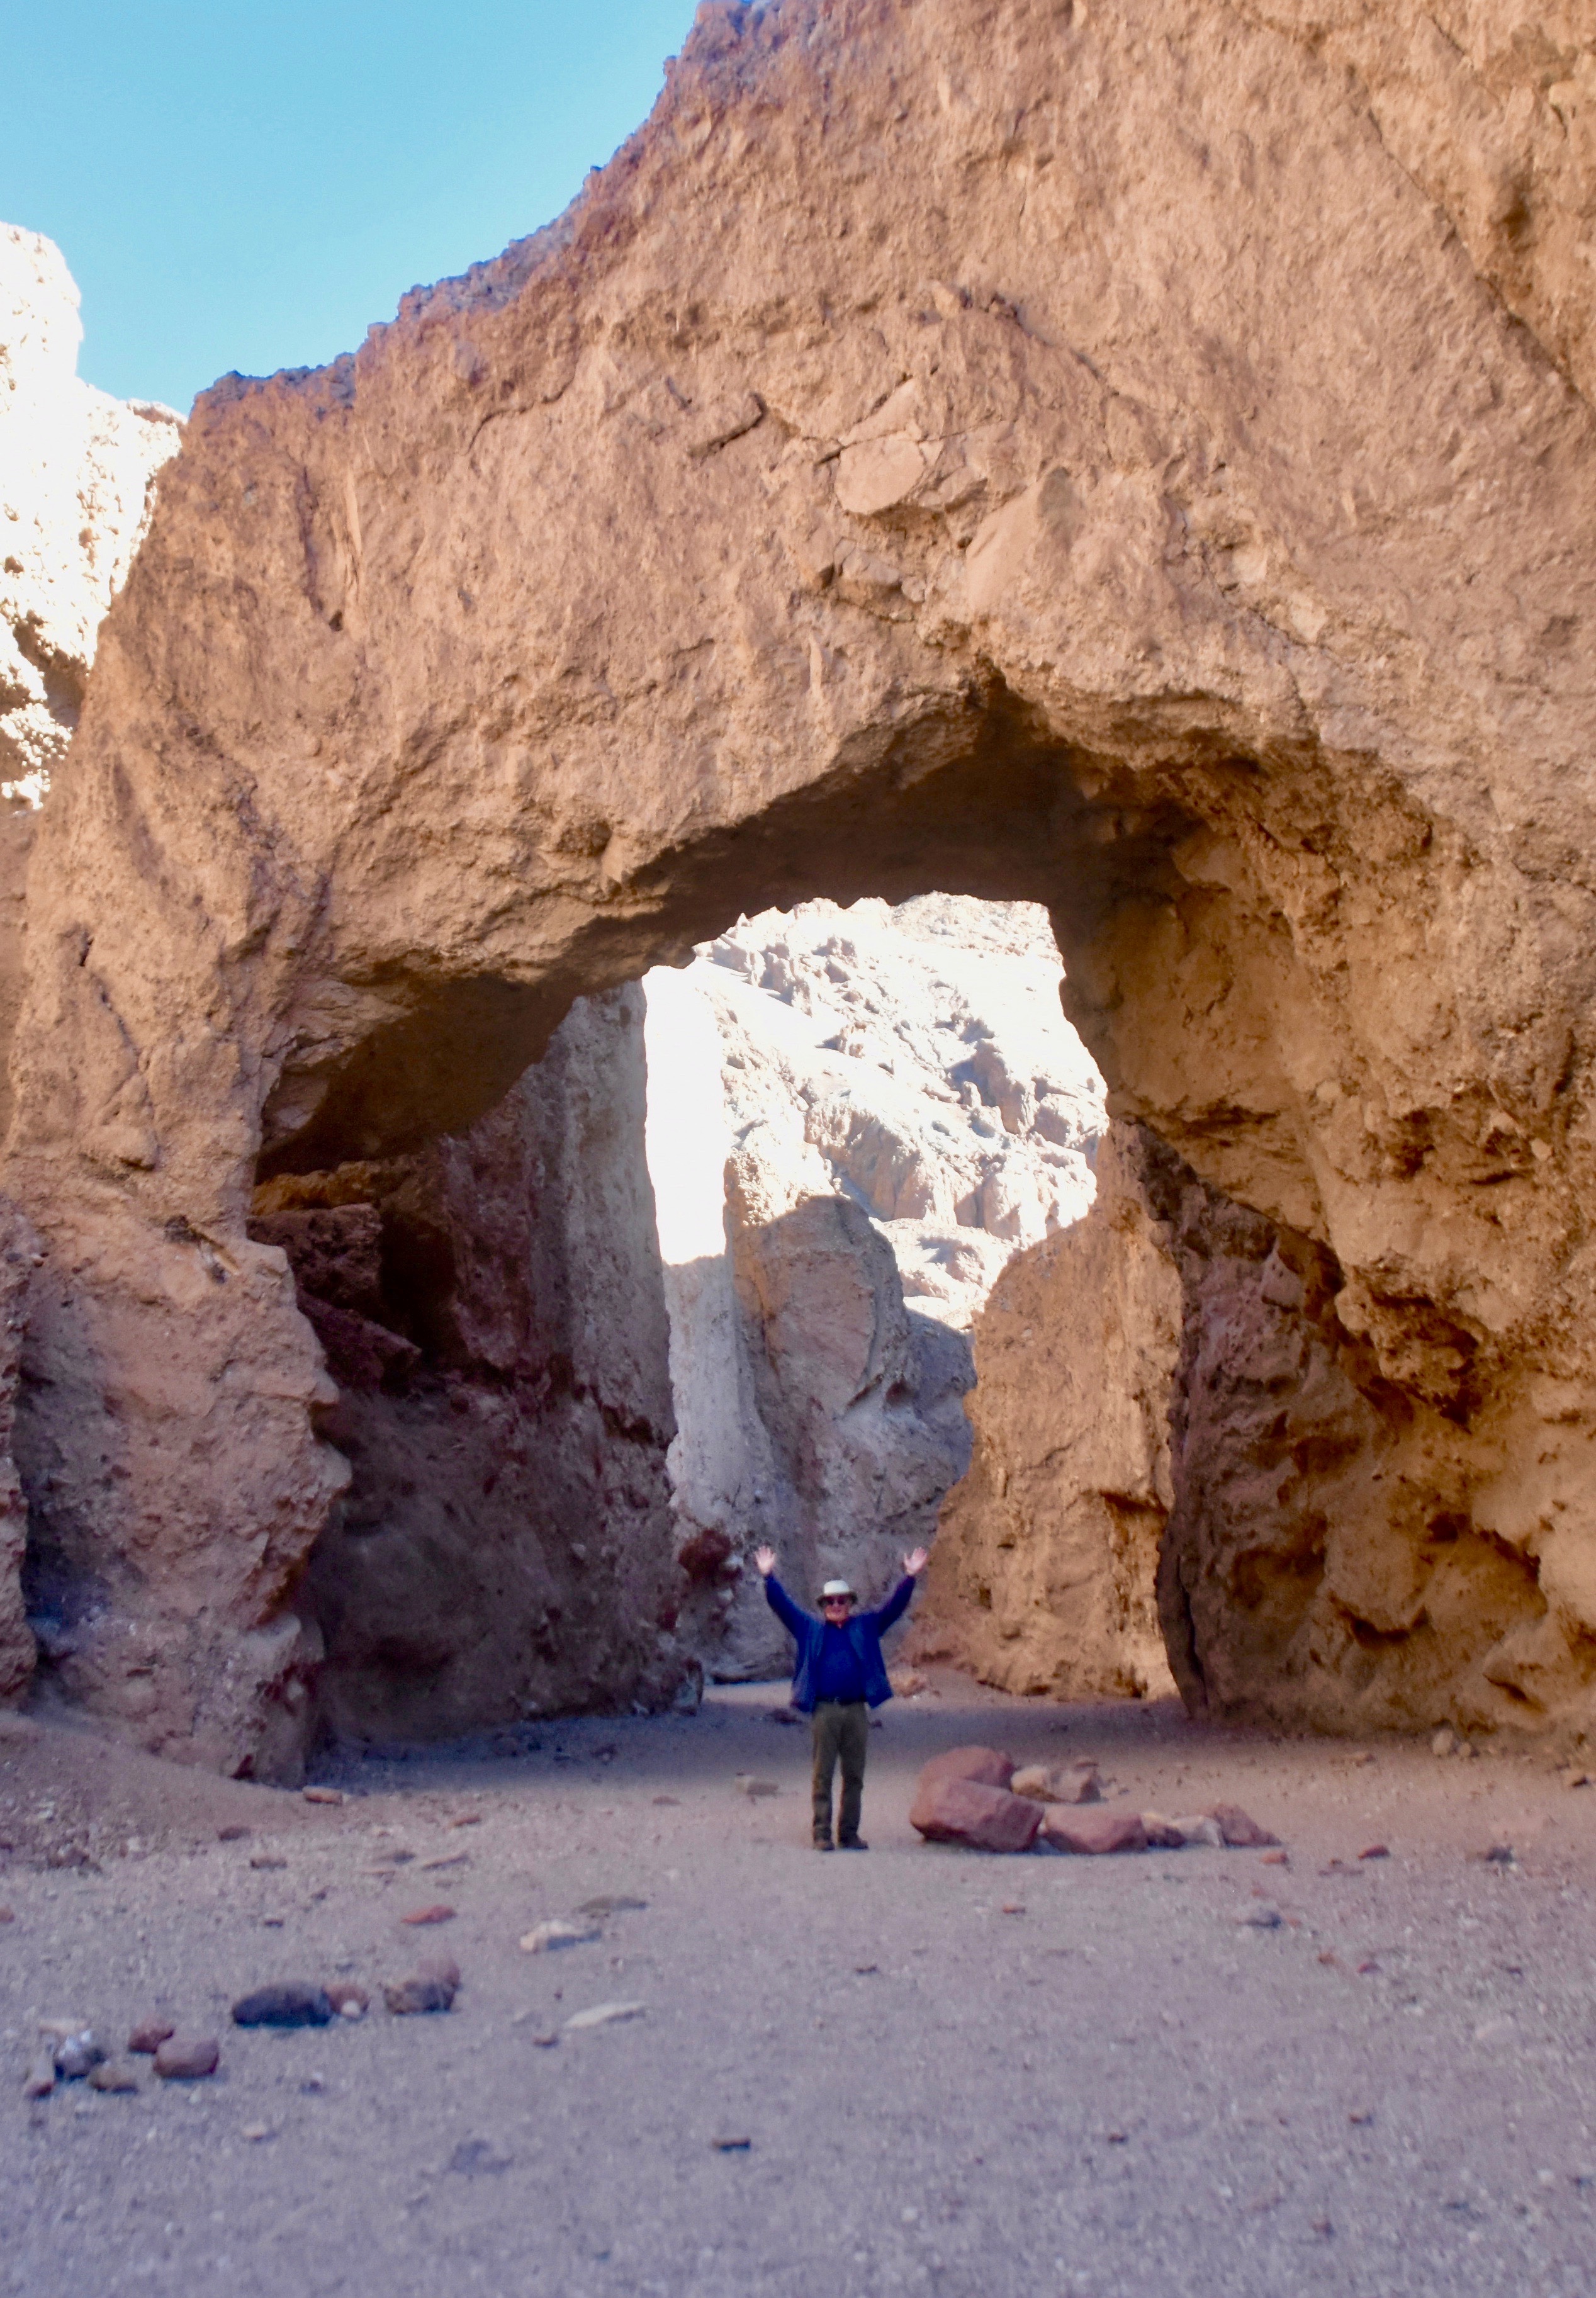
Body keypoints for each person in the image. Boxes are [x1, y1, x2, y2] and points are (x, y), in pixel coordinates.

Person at [753, 1543, 929, 1850]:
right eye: (831, 1601)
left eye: (842, 1600)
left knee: (854, 1775)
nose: (836, 1605)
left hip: (856, 1711)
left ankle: (848, 1833)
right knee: (822, 1774)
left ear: (850, 1603)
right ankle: (822, 1833)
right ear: (823, 1605)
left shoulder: (865, 1626)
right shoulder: (810, 1629)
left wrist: (910, 1577)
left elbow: (893, 1608)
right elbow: (783, 1607)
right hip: (825, 1710)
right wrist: (768, 1577)